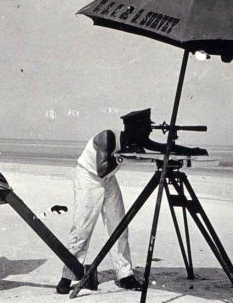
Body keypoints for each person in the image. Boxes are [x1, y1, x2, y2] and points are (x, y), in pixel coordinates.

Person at [56, 108, 207, 294]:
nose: (149, 132)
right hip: (89, 178)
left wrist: (191, 151)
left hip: (108, 179)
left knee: (119, 225)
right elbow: (101, 169)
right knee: (82, 229)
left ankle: (125, 275)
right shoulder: (107, 137)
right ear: (134, 128)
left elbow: (161, 148)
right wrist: (124, 154)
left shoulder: (136, 138)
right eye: (146, 128)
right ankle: (67, 277)